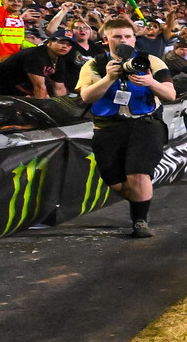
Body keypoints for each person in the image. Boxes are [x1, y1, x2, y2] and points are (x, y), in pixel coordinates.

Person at [77, 14, 179, 239]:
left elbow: (171, 95)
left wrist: (151, 82)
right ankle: (140, 200)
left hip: (146, 124)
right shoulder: (93, 64)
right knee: (116, 184)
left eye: (127, 36)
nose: (122, 40)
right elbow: (86, 97)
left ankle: (139, 221)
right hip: (108, 127)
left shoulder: (152, 61)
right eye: (117, 36)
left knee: (138, 173)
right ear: (106, 39)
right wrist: (109, 78)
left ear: (134, 39)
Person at [0, 30, 78, 97]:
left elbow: (59, 88)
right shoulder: (36, 55)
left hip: (8, 87)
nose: (65, 46)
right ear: (49, 43)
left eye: (69, 45)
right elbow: (39, 86)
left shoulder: (59, 60)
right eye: (61, 42)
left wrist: (63, 107)